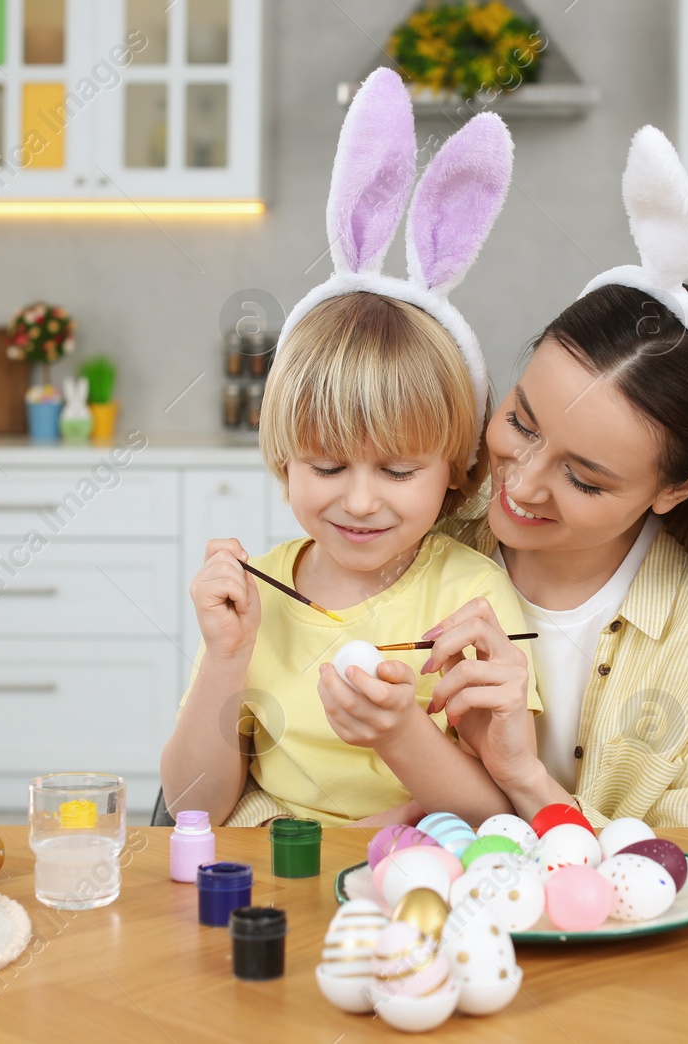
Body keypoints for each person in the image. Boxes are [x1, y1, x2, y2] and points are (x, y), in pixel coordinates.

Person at [159, 69, 538, 828]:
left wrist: (401, 737)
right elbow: (191, 806)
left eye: (398, 470)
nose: (359, 499)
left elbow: (498, 810)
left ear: (457, 470)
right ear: (283, 461)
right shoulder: (256, 595)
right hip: (279, 882)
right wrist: (227, 659)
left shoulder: (473, 603)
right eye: (326, 466)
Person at [424, 127, 688, 828]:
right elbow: (285, 787)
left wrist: (523, 778)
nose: (521, 485)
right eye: (522, 421)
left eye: (584, 479)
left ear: (683, 487)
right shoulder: (420, 539)